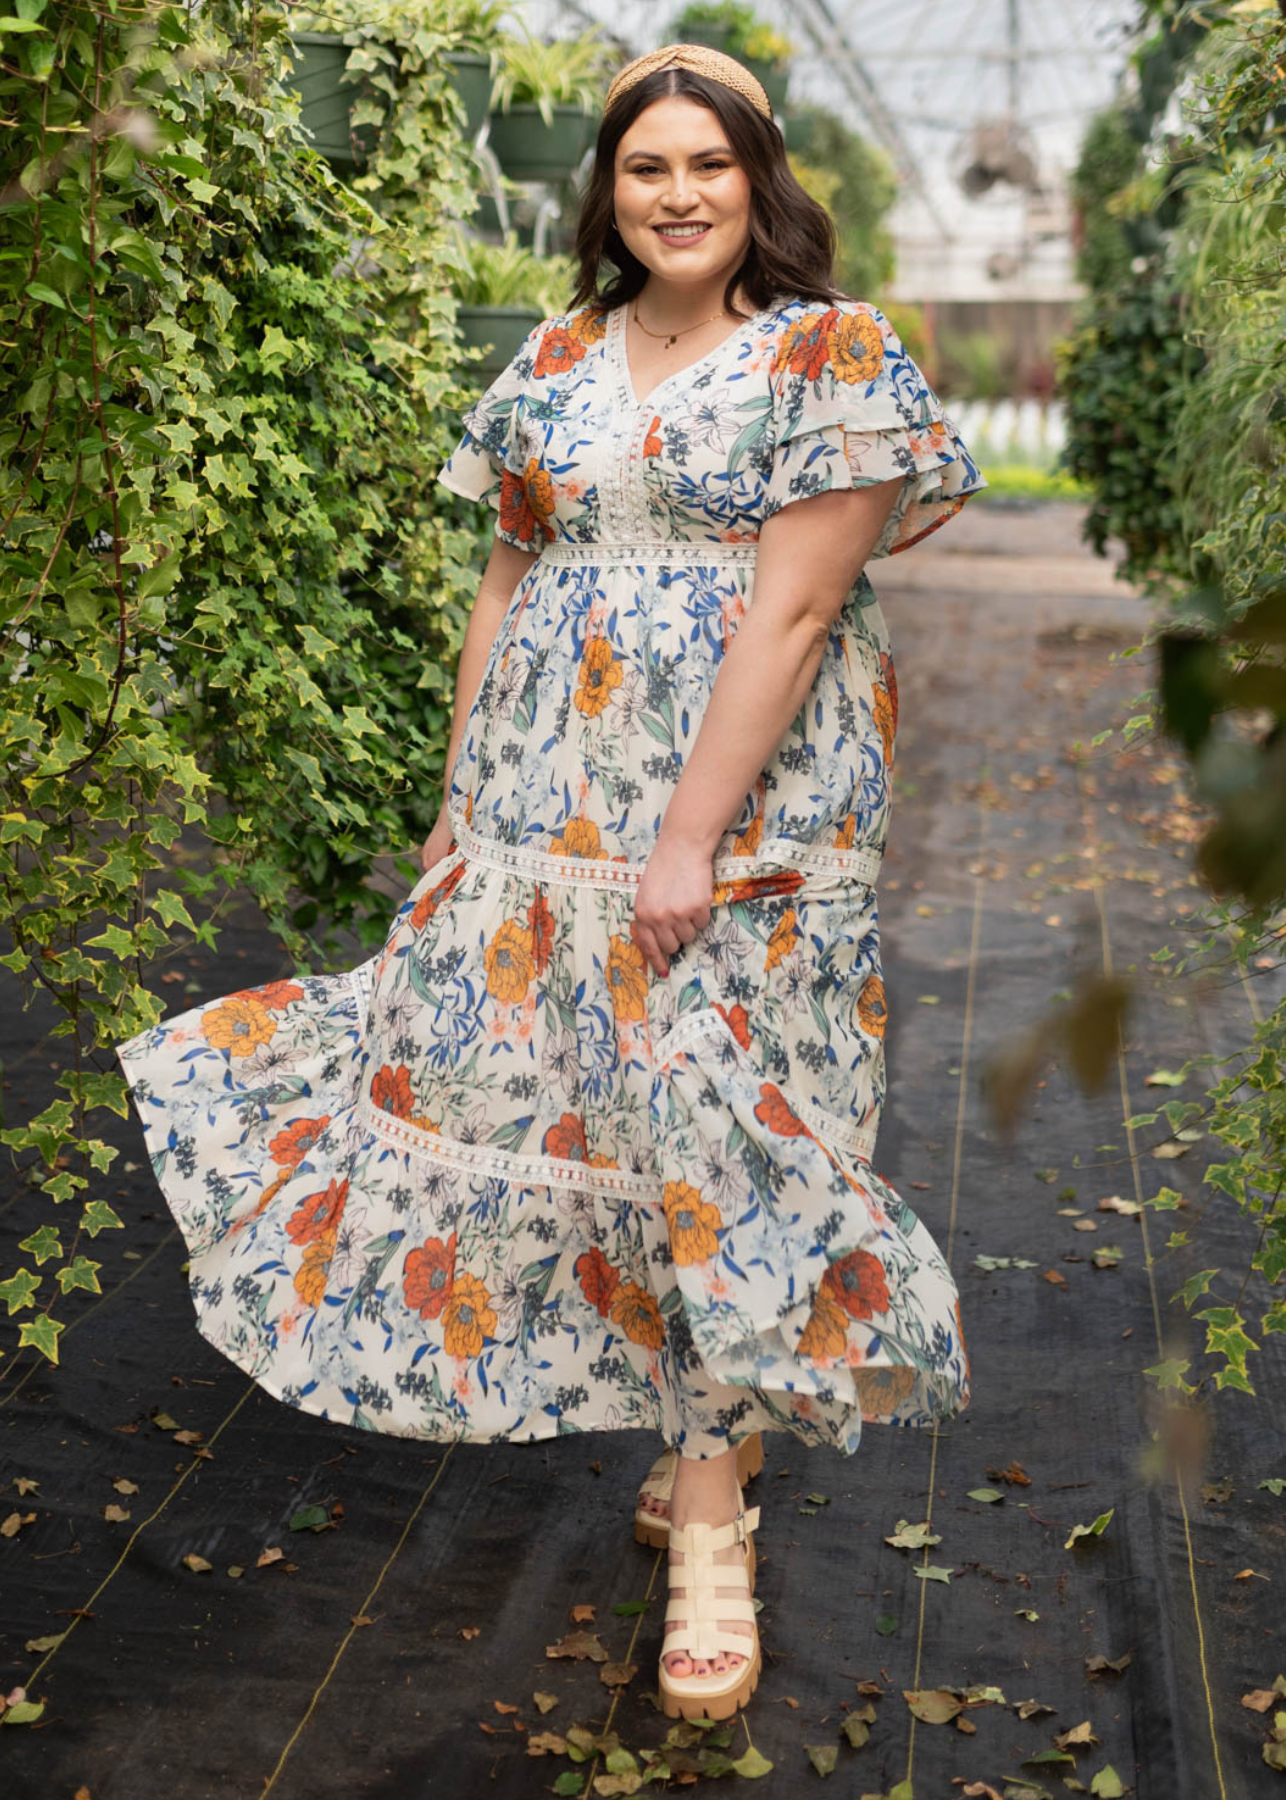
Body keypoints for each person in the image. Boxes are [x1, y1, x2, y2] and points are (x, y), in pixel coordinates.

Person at [117, 41, 982, 1722]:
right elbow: (506, 581)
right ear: (608, 190)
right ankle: (693, 1427)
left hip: (743, 816)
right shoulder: (558, 354)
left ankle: (713, 1521)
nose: (677, 195)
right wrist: (460, 801)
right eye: (645, 167)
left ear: (760, 180)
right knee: (564, 1107)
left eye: (707, 166)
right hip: (536, 803)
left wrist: (684, 838)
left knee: (716, 1110)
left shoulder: (830, 353)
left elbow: (797, 612)